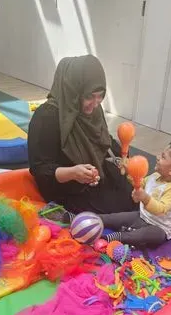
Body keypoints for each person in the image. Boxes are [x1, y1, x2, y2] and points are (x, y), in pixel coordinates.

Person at [28, 55, 136, 215]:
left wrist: (124, 158)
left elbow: (104, 140)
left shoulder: (94, 109)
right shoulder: (47, 117)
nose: (96, 102)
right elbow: (40, 169)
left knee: (133, 194)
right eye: (89, 96)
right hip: (65, 186)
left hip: (94, 174)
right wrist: (73, 173)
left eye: (100, 95)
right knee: (116, 209)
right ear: (72, 90)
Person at [100, 140, 171, 248]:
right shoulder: (155, 176)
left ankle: (115, 237)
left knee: (144, 235)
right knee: (114, 218)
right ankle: (92, 219)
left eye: (163, 157)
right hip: (142, 216)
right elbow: (140, 183)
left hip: (159, 227)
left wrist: (145, 198)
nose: (157, 157)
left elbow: (160, 209)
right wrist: (130, 172)